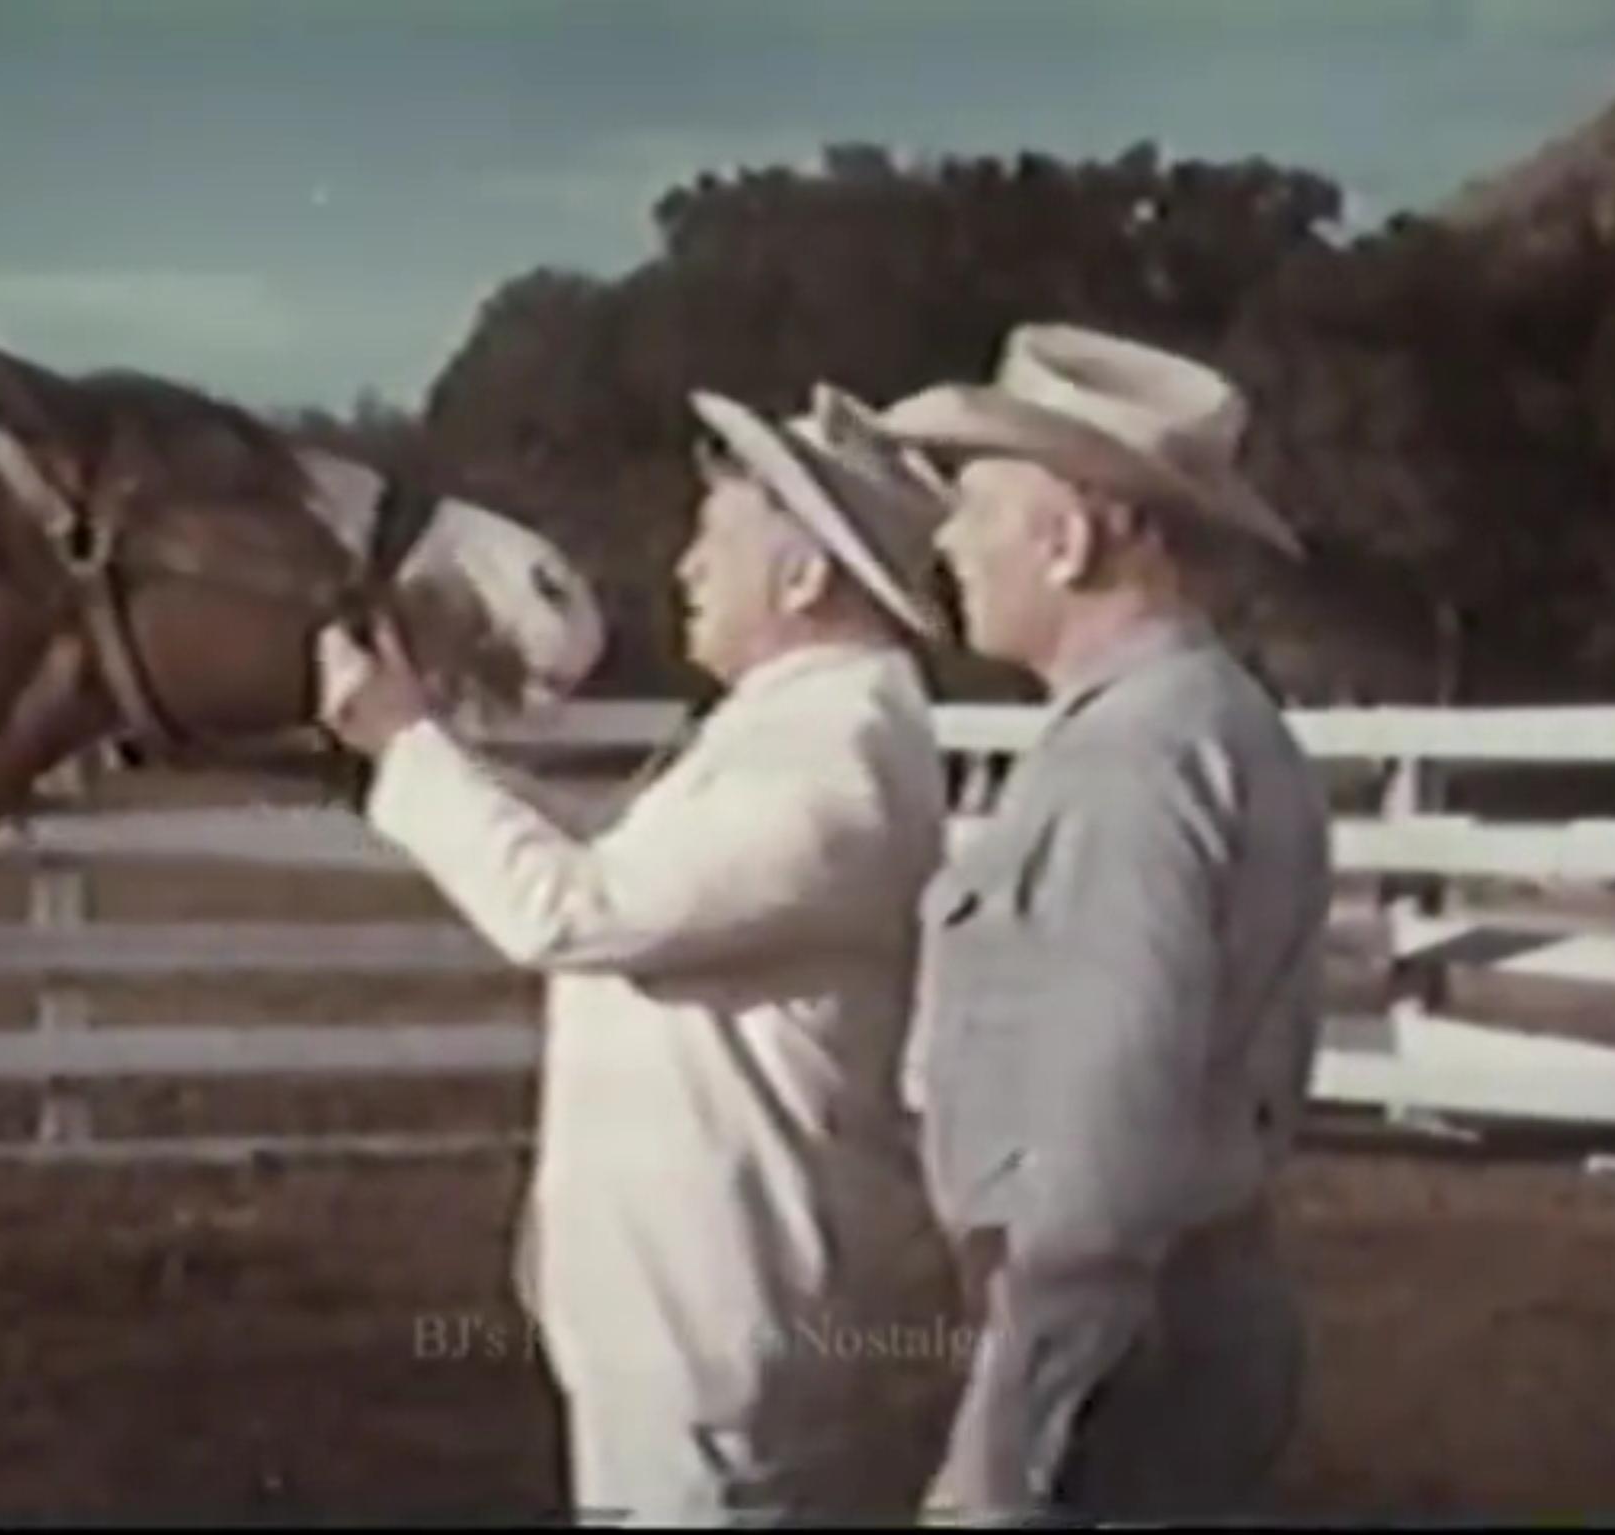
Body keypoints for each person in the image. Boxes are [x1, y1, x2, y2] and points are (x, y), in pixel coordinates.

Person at [314, 384, 961, 1525]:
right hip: (695, 1322)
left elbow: (572, 908)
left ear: (803, 578)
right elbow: (612, 878)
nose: (684, 570)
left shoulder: (832, 760)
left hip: (729, 1336)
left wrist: (401, 743)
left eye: (713, 540)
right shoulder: (792, 729)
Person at [878, 323, 1333, 1522]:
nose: (944, 540)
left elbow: (1102, 1150)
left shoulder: (1133, 758)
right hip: (1175, 1315)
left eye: (973, 505)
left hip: (1120, 1349)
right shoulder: (1202, 721)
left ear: (1069, 537)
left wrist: (1000, 1442)